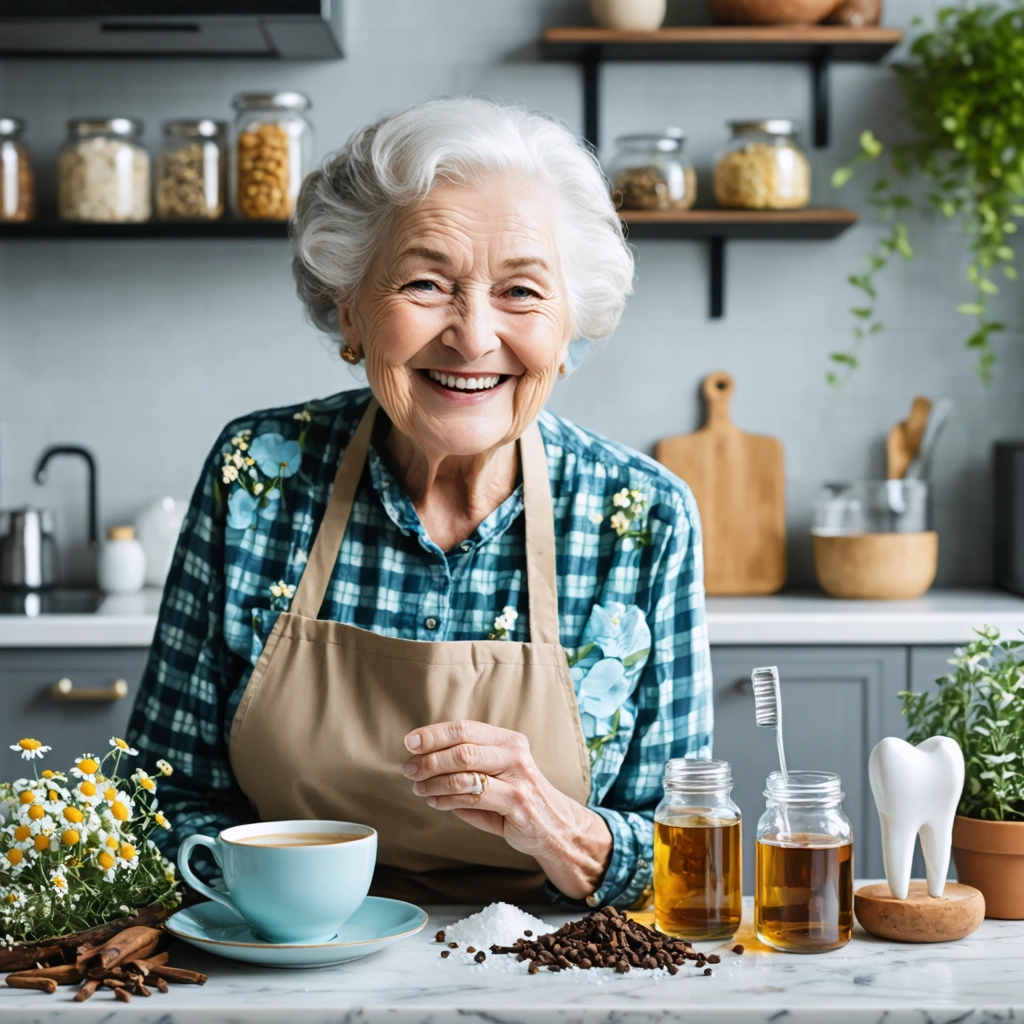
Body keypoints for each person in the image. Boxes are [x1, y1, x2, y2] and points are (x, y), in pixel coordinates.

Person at [128, 96, 711, 908]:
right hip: (291, 955)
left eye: (521, 292)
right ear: (349, 307)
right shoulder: (256, 474)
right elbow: (157, 794)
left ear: (571, 326)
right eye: (426, 283)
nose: (473, 338)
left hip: (554, 969)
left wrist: (549, 821)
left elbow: (688, 856)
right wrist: (298, 898)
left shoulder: (644, 516)